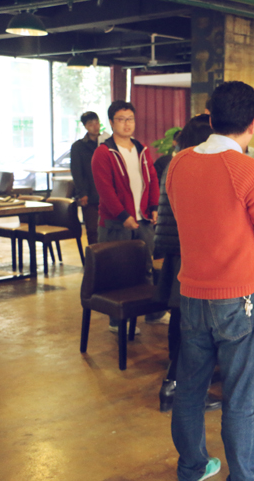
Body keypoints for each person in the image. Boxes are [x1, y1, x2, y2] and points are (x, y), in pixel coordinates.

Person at [167, 81, 254, 481]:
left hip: (191, 295)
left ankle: (192, 467)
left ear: (210, 117)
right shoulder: (249, 170)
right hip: (238, 299)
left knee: (190, 388)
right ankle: (243, 475)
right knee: (241, 396)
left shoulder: (178, 163)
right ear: (252, 124)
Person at [153, 115, 222, 414]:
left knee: (181, 321)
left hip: (175, 254)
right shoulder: (193, 167)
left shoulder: (175, 164)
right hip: (189, 256)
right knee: (193, 327)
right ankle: (179, 387)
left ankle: (173, 383)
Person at [92, 100, 165, 333]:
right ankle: (118, 321)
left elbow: (152, 180)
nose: (127, 124)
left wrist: (154, 207)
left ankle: (153, 313)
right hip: (116, 222)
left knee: (148, 267)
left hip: (143, 219)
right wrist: (123, 215)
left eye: (130, 119)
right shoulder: (104, 152)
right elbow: (105, 189)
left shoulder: (142, 149)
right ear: (111, 122)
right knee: (118, 271)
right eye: (121, 119)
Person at [70, 111, 103, 245]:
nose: (95, 126)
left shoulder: (106, 142)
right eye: (90, 124)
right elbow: (77, 171)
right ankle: (94, 255)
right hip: (89, 193)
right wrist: (82, 193)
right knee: (92, 228)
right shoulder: (78, 146)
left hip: (107, 191)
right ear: (85, 126)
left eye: (97, 123)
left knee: (109, 227)